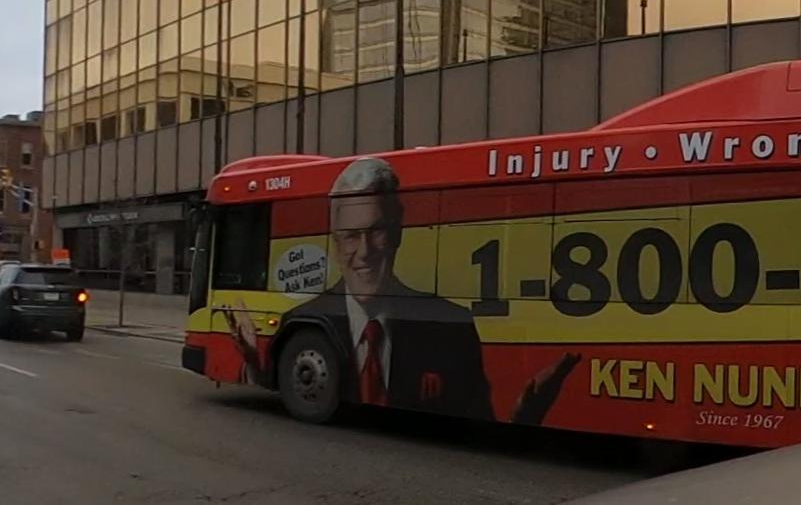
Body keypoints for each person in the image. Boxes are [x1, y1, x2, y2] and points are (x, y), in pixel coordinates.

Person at [224, 157, 572, 422]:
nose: (364, 251)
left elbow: (480, 416)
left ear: (397, 232)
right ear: (334, 241)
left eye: (376, 231)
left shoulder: (452, 326)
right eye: (350, 236)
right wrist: (254, 362)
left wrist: (524, 416)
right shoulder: (301, 316)